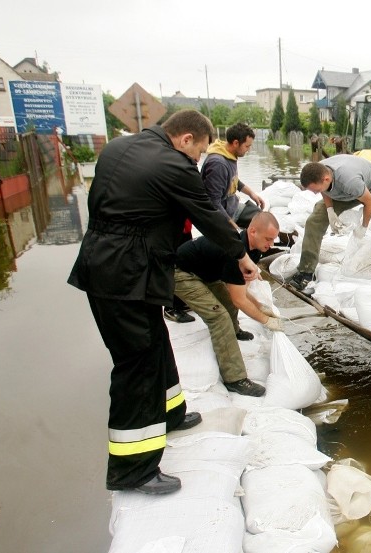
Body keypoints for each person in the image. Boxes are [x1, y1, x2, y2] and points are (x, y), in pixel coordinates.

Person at [68, 109, 260, 496]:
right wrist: (242, 256)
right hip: (124, 276)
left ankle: (171, 412)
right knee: (135, 368)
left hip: (109, 265)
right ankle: (132, 469)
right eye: (198, 152)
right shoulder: (173, 164)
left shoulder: (118, 147)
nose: (197, 161)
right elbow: (208, 214)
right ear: (185, 138)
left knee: (155, 342)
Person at [174, 212, 284, 397]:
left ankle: (234, 330)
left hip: (207, 273)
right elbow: (239, 300)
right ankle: (235, 379)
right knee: (219, 317)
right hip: (181, 272)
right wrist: (266, 320)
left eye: (273, 240)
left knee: (228, 303)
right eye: (268, 239)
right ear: (253, 231)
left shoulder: (255, 250)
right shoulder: (233, 250)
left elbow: (239, 289)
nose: (271, 245)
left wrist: (259, 305)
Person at [287, 155, 371, 291]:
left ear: (326, 179)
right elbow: (325, 190)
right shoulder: (320, 171)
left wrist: (364, 226)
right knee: (314, 222)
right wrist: (330, 211)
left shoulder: (349, 180)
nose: (315, 193)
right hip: (347, 192)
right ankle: (306, 272)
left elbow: (369, 201)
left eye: (316, 190)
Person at [202, 122, 265, 227]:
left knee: (263, 219)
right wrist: (232, 226)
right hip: (223, 214)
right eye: (247, 146)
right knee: (258, 228)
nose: (249, 150)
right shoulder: (218, 164)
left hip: (232, 206)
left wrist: (251, 194)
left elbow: (233, 180)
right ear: (236, 143)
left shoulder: (228, 153)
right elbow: (213, 203)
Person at [164, 219, 196, 323]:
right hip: (172, 229)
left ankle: (181, 302)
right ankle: (171, 307)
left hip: (185, 227)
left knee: (186, 263)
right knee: (173, 266)